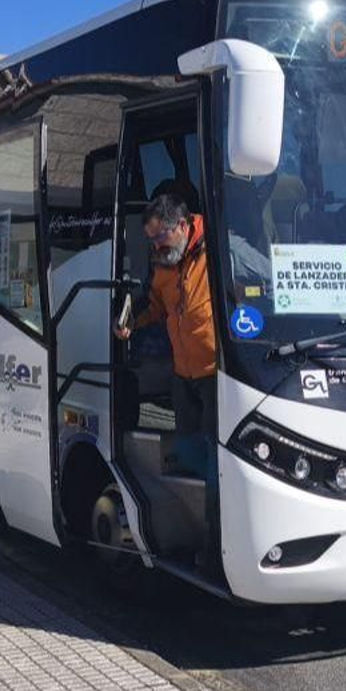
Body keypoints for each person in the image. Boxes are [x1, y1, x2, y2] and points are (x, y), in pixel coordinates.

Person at [114, 193, 222, 571]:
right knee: (191, 449)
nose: (156, 247)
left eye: (161, 238)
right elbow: (158, 308)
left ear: (182, 226)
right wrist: (133, 322)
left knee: (214, 458)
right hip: (184, 373)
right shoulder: (165, 264)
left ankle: (215, 543)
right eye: (152, 241)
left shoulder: (221, 248)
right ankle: (198, 519)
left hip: (215, 374)